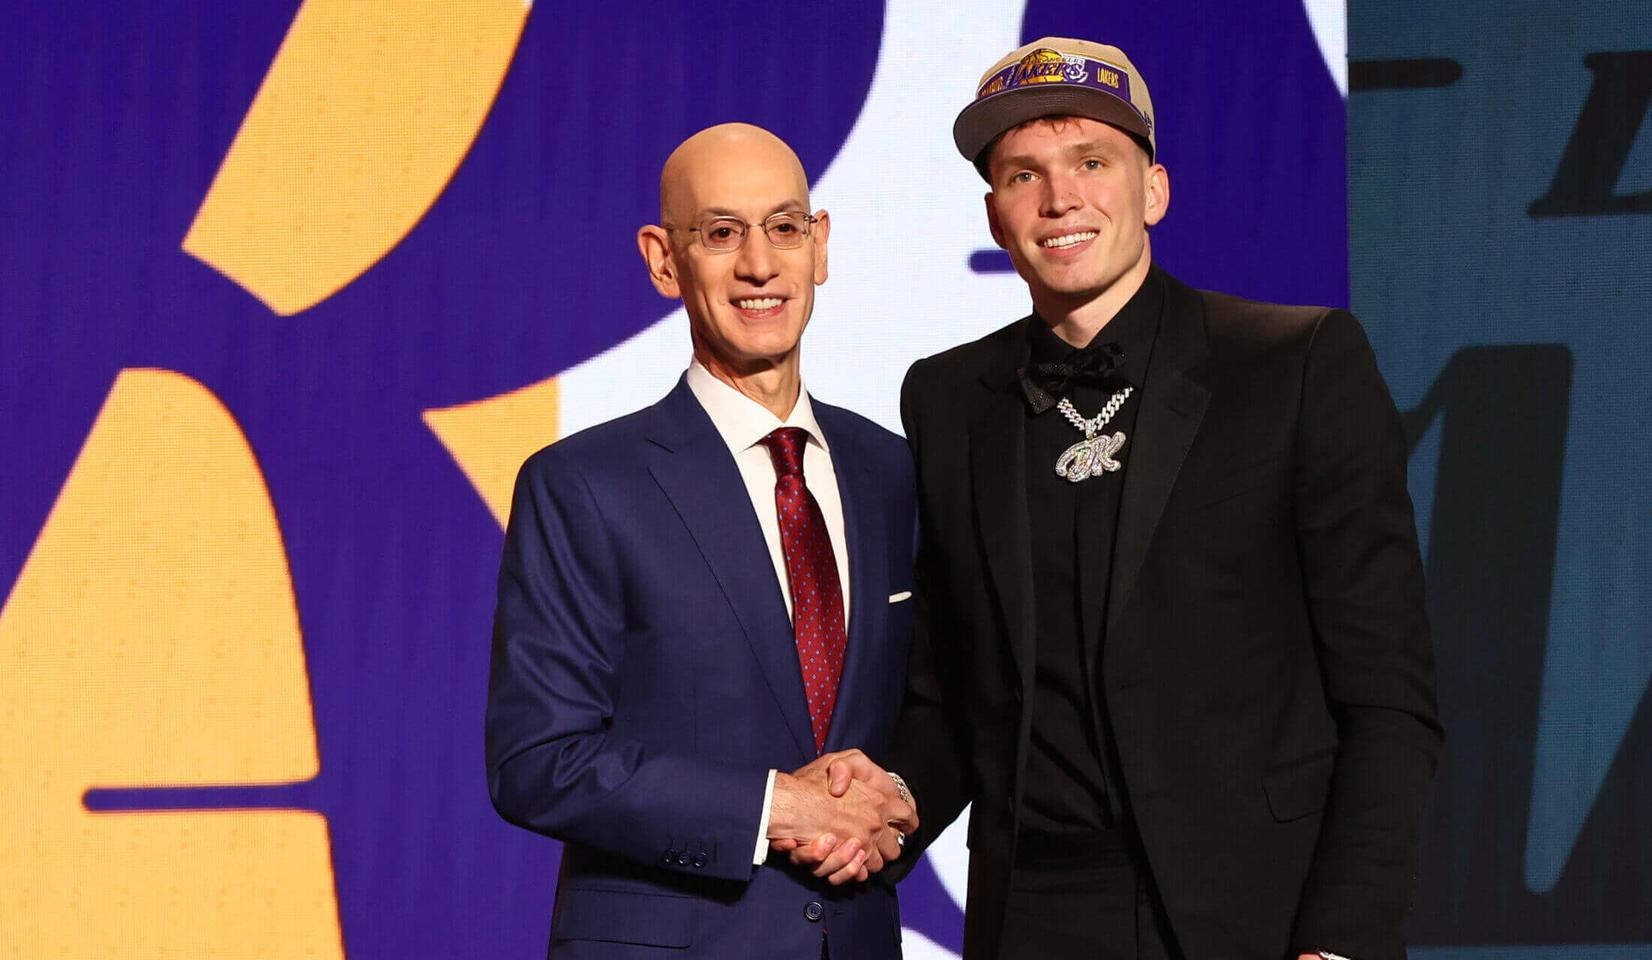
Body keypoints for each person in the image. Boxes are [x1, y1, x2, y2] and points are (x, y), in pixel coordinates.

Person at [870, 37, 1441, 960]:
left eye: (1092, 162)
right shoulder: (947, 398)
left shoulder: (1295, 365)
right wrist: (878, 812)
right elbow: (952, 696)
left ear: (1155, 188)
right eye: (1024, 173)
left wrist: (1342, 940)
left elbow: (1387, 697)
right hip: (1034, 915)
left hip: (1255, 916)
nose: (1060, 199)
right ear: (993, 212)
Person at [485, 122, 920, 959]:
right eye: (721, 233)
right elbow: (538, 759)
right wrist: (772, 808)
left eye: (784, 227)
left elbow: (936, 706)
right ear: (661, 259)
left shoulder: (888, 470)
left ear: (819, 245)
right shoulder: (584, 484)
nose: (760, 264)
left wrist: (895, 800)